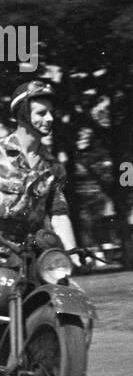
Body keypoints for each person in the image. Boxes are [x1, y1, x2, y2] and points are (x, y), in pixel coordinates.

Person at [0, 80, 78, 255]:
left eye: (51, 112)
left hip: (33, 254)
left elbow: (58, 214)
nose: (49, 118)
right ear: (23, 114)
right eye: (41, 113)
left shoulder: (54, 167)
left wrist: (72, 253)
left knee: (61, 283)